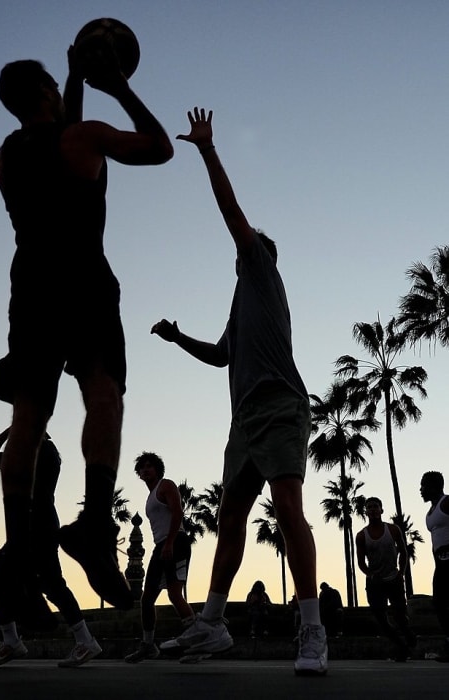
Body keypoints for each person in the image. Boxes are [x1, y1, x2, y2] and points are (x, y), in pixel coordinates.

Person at [0, 50, 172, 616]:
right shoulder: (86, 136)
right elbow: (160, 147)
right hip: (85, 281)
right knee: (104, 395)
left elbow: (55, 128)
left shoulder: (5, 155)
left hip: (31, 285)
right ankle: (95, 526)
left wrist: (69, 77)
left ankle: (22, 551)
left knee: (27, 420)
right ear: (46, 92)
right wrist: (118, 87)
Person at [151, 107, 327, 675]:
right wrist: (177, 337)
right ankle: (213, 625)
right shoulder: (239, 307)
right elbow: (217, 355)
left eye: (248, 244)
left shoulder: (261, 270)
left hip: (280, 406)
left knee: (287, 507)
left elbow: (231, 213)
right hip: (244, 419)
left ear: (260, 253)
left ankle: (312, 630)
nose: (241, 248)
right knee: (230, 519)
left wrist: (206, 150)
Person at [0, 428, 102, 668]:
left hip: (38, 528)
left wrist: (14, 430)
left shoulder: (42, 452)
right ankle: (14, 641)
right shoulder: (32, 453)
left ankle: (83, 641)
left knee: (49, 585)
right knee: (9, 583)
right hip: (31, 528)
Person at [125, 452, 195, 663]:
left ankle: (199, 640)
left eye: (149, 466)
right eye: (142, 467)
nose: (145, 470)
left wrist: (171, 542)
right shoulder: (150, 496)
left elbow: (178, 513)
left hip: (176, 542)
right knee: (147, 599)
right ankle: (148, 645)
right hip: (160, 546)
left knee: (174, 594)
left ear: (157, 469)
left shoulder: (166, 485)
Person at [355, 496, 415, 660]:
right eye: (369, 507)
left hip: (393, 578)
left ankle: (408, 639)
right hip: (375, 582)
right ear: (366, 512)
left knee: (400, 615)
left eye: (376, 506)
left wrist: (401, 573)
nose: (373, 509)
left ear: (381, 510)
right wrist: (370, 574)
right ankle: (401, 646)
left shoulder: (393, 530)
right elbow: (360, 562)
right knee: (381, 618)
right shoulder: (361, 536)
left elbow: (403, 551)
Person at [420, 470, 449, 662]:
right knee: (439, 603)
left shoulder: (446, 502)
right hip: (440, 561)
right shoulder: (430, 512)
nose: (420, 490)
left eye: (423, 486)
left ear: (433, 486)